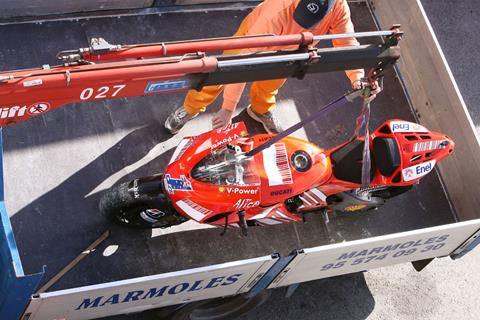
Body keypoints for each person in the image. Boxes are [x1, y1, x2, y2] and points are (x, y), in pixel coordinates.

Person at [165, 0, 366, 135]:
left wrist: (357, 77)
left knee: (271, 83)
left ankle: (260, 110)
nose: (308, 26)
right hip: (256, 37)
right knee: (222, 73)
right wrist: (228, 108)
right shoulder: (274, 15)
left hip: (294, 49)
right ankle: (191, 108)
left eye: (314, 22)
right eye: (304, 19)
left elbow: (346, 40)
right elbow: (240, 67)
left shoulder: (339, 6)